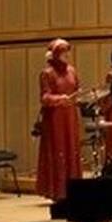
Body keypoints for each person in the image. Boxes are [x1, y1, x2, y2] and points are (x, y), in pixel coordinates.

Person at [36, 39, 85, 201]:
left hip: (70, 115)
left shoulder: (72, 70)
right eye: (63, 53)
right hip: (55, 118)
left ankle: (73, 189)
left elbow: (77, 88)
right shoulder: (47, 73)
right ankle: (58, 191)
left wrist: (79, 95)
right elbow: (44, 98)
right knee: (58, 149)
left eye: (67, 52)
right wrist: (60, 99)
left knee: (71, 148)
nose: (67, 55)